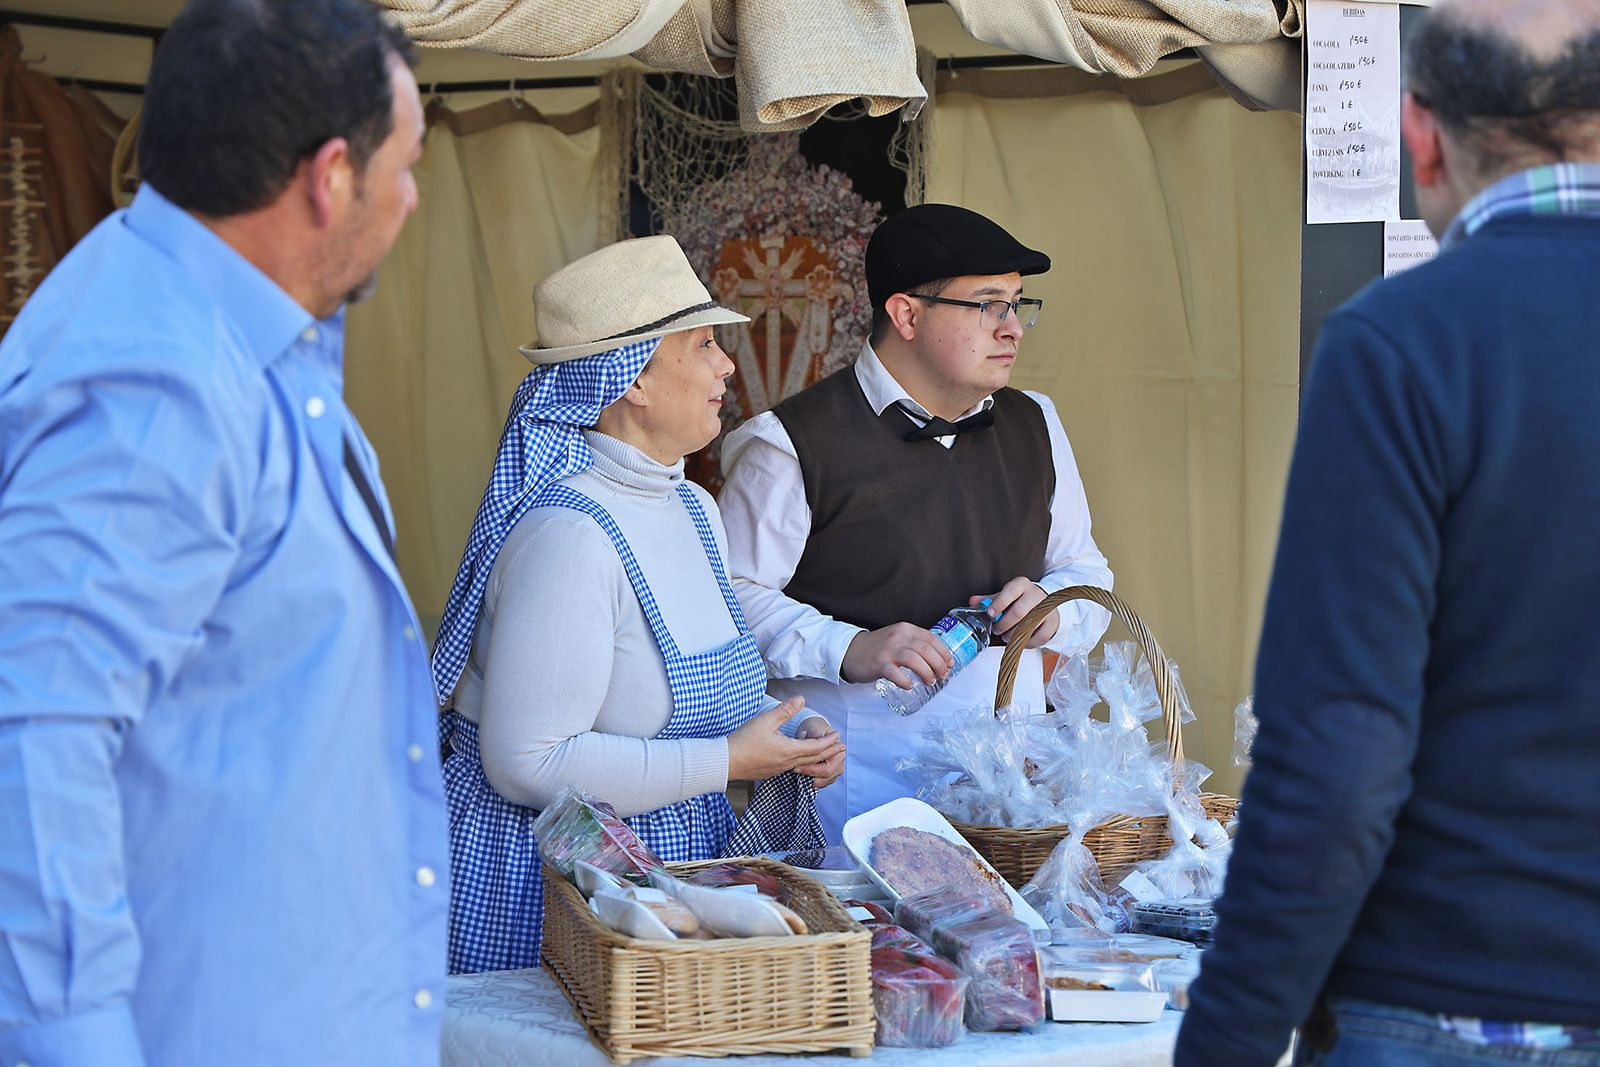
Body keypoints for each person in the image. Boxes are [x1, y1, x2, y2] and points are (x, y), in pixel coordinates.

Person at [0, 2, 443, 1065]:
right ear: (329, 175)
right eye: (408, 164)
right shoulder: (158, 383)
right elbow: (33, 743)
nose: (413, 198)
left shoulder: (243, 350)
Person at [1176, 2, 1600, 1063]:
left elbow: (1337, 750)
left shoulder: (1400, 342)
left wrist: (1226, 1035)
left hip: (1452, 997)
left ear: (1419, 134)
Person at [431, 235, 846, 974]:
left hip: (665, 889)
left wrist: (782, 742)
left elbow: (678, 710)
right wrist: (726, 760)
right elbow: (527, 763)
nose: (726, 364)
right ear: (634, 381)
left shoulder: (694, 509)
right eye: (703, 343)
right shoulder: (570, 536)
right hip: (557, 894)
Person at [718, 203, 1115, 843]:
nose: (1013, 328)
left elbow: (1086, 571)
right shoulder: (788, 443)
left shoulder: (1036, 421)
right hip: (844, 788)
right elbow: (727, 603)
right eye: (988, 305)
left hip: (1003, 792)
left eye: (1018, 304)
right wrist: (850, 646)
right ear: (906, 314)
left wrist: (1054, 613)